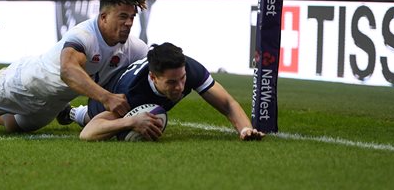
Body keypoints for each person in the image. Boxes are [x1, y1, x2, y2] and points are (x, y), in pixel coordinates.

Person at [0, 0, 149, 134]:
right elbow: (68, 71)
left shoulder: (133, 47)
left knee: (12, 126)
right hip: (20, 84)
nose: (129, 23)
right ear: (103, 17)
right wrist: (107, 97)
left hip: (53, 103)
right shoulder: (84, 35)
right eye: (123, 17)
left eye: (132, 17)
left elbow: (154, 63)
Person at [61, 42, 264, 142]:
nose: (180, 87)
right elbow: (87, 134)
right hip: (108, 95)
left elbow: (228, 104)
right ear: (153, 77)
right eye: (172, 82)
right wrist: (132, 121)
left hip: (133, 90)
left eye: (182, 79)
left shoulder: (189, 69)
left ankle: (72, 112)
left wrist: (245, 129)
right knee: (98, 121)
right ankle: (73, 112)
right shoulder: (130, 94)